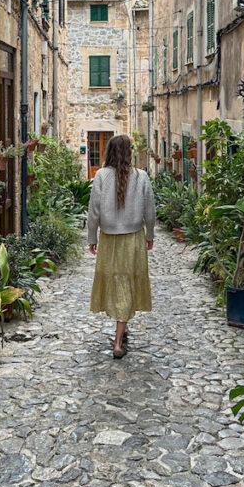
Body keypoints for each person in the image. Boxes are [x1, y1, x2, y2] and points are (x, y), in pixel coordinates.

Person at [87, 134, 155, 359]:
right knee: (127, 282)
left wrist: (92, 237)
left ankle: (118, 338)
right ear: (129, 153)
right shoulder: (141, 176)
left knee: (117, 282)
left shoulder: (101, 176)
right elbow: (150, 210)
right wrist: (150, 234)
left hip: (109, 239)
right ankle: (119, 338)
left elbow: (94, 211)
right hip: (133, 239)